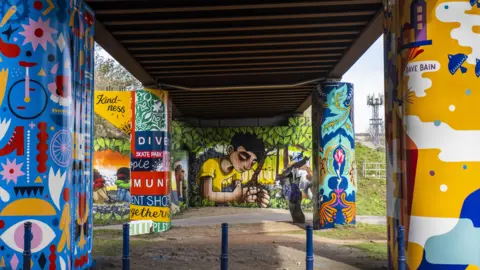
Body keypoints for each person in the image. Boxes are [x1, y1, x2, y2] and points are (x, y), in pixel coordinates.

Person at [196, 133, 270, 207]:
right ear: (230, 150)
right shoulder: (210, 164)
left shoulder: (236, 172)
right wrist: (237, 196)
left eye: (252, 163)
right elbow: (207, 195)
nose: (248, 167)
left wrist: (252, 196)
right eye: (243, 157)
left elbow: (238, 193)